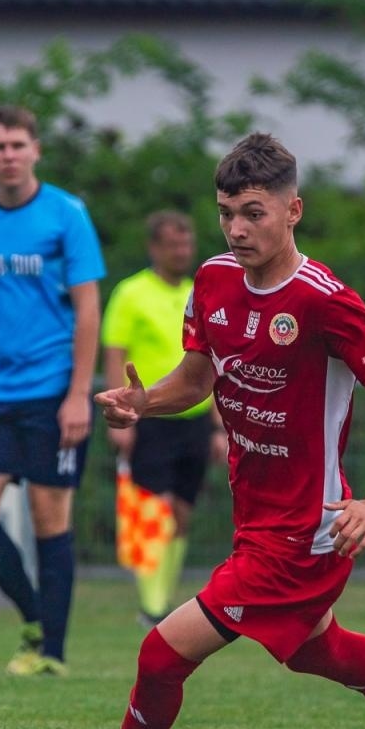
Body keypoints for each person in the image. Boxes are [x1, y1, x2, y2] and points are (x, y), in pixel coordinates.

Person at [74, 133, 365, 729]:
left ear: (292, 210)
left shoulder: (325, 300)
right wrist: (145, 402)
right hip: (256, 512)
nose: (236, 229)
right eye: (225, 213)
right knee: (316, 650)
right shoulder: (212, 280)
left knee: (162, 651)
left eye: (253, 213)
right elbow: (197, 378)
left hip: (306, 527)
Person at [0, 105, 104, 676]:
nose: (8, 155)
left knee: (49, 516)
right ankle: (35, 616)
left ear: (35, 150)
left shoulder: (66, 213)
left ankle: (51, 653)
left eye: (17, 145)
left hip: (54, 392)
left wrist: (78, 395)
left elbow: (88, 308)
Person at [100, 210, 227, 626]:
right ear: (154, 248)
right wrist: (121, 413)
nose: (181, 252)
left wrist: (218, 426)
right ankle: (152, 606)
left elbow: (211, 364)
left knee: (182, 513)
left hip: (194, 417)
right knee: (155, 510)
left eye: (186, 244)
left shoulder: (198, 292)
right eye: (173, 244)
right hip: (150, 415)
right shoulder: (131, 293)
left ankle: (162, 599)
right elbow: (115, 353)